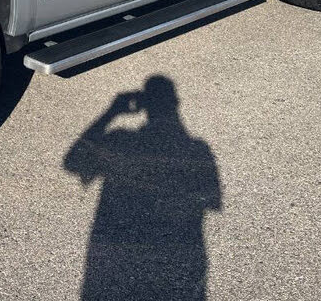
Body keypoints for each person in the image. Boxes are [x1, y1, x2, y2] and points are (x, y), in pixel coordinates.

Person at [64, 75, 222, 301]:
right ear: (176, 103)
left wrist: (112, 112)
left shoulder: (119, 139)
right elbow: (209, 202)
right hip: (179, 254)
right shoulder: (198, 149)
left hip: (113, 253)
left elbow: (72, 162)